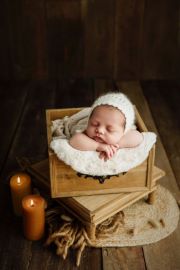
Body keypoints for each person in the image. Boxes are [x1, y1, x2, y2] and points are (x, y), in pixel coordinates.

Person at [69, 92, 143, 161]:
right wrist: (98, 146)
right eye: (95, 124)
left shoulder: (124, 134)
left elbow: (138, 137)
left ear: (123, 132)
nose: (100, 130)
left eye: (109, 129)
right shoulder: (85, 132)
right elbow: (74, 141)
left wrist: (116, 145)